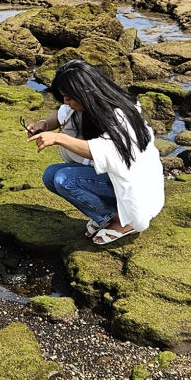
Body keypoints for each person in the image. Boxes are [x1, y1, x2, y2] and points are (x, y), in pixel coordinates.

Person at [26, 60, 164, 245]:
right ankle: (108, 215)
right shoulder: (84, 104)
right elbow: (61, 115)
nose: (66, 103)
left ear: (85, 92)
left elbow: (106, 153)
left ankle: (123, 223)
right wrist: (42, 125)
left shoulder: (121, 115)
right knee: (50, 175)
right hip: (108, 178)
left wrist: (59, 138)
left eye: (69, 98)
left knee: (64, 180)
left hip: (130, 182)